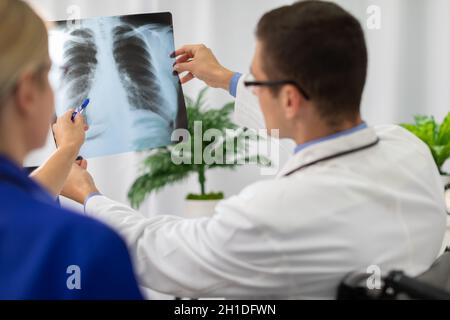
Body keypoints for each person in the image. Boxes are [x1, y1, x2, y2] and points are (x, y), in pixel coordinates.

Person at [61, 1, 447, 299]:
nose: (251, 88)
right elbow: (315, 123)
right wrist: (227, 79)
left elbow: (157, 252)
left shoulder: (278, 213)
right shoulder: (408, 148)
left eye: (256, 81)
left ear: (291, 99)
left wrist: (88, 194)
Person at [0, 0, 142, 299]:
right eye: (51, 75)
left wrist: (66, 150)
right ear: (27, 92)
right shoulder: (81, 244)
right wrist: (90, 194)